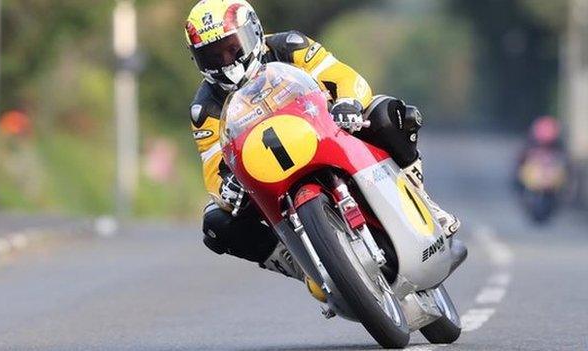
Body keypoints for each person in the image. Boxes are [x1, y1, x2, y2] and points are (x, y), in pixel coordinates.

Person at [185, 0, 460, 281]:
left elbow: (344, 76)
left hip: (325, 132)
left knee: (387, 113)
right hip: (266, 173)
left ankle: (423, 201)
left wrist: (348, 102)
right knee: (216, 223)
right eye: (213, 56)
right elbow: (212, 166)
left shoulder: (290, 45)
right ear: (198, 59)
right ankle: (294, 261)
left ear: (253, 31)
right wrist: (225, 187)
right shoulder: (204, 109)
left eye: (233, 48)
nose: (227, 61)